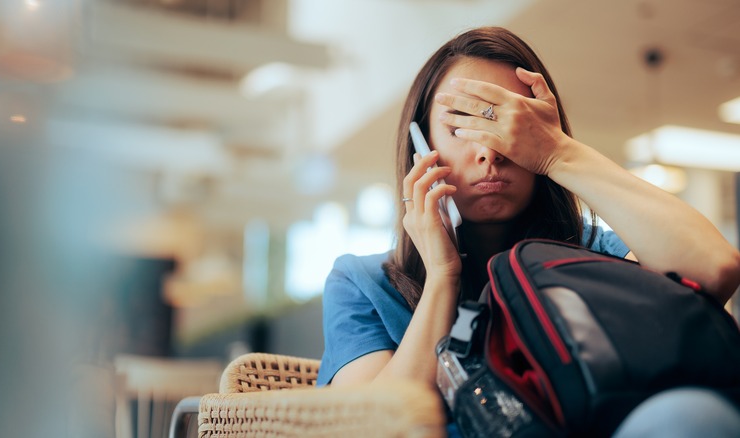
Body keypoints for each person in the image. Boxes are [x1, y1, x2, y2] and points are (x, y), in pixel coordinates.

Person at [316, 26, 740, 436]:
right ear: (422, 147)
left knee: (693, 416)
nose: (490, 152)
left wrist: (559, 154)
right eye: (461, 126)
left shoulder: (595, 254)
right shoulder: (363, 284)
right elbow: (371, 428)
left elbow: (715, 270)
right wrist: (444, 277)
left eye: (510, 126)